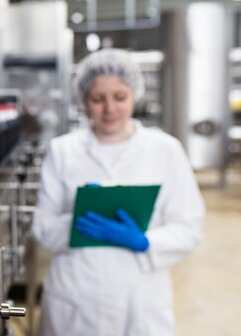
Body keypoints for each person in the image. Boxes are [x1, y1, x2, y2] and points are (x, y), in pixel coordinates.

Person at [32, 48, 205, 336]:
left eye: (120, 97)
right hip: (76, 294)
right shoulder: (62, 151)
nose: (109, 109)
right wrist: (80, 218)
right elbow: (43, 228)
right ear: (84, 102)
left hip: (140, 296)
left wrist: (146, 241)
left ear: (134, 96)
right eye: (98, 99)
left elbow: (189, 226)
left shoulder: (165, 150)